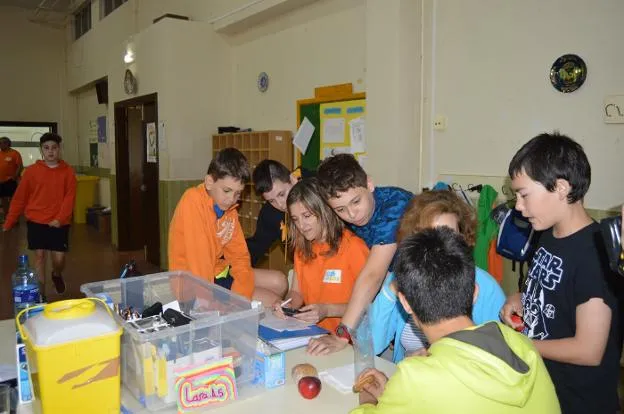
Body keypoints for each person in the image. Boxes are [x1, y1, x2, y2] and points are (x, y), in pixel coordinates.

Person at [351, 228, 561, 414]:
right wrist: (395, 396)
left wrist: (370, 401)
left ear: (405, 303)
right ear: (474, 293)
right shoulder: (522, 345)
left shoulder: (417, 379)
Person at [500, 132, 621, 414]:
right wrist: (519, 298)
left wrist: (521, 344)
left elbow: (589, 350)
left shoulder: (596, 254)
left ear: (561, 188)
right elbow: (552, 289)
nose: (518, 206)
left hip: (578, 401)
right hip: (544, 387)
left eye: (524, 194)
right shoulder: (549, 232)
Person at [370, 190, 506, 362]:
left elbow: (497, 355)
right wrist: (391, 290)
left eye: (448, 234)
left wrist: (434, 359)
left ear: (463, 237)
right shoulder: (401, 279)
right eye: (428, 234)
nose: (438, 244)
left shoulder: (486, 286)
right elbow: (373, 345)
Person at [310, 153, 413, 354]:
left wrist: (341, 334)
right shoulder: (347, 214)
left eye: (356, 201)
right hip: (397, 288)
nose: (351, 214)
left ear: (369, 184)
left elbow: (373, 275)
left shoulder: (395, 206)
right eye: (340, 209)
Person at [168, 148, 285, 303]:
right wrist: (212, 306)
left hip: (220, 273)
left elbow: (240, 256)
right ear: (209, 182)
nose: (232, 199)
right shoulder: (192, 201)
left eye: (238, 194)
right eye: (227, 191)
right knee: (273, 301)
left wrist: (241, 295)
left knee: (280, 281)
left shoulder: (228, 208)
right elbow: (199, 266)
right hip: (196, 286)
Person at [271, 179, 369, 338]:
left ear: (323, 210)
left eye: (307, 216)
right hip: (314, 334)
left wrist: (328, 310)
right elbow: (296, 292)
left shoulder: (354, 247)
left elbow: (369, 306)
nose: (301, 225)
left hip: (348, 338)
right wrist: (286, 305)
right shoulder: (302, 248)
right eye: (295, 219)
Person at [3, 133, 76, 296]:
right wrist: (9, 221)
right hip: (36, 220)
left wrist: (60, 218)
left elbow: (69, 198)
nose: (50, 152)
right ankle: (41, 296)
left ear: (60, 149)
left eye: (54, 148)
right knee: (39, 257)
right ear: (41, 150)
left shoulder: (68, 172)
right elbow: (19, 198)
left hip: (59, 222)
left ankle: (56, 274)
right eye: (46, 148)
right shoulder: (31, 172)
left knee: (59, 259)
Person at [246, 159, 313, 266]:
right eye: (271, 201)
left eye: (281, 194)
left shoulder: (314, 186)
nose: (281, 204)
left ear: (292, 179)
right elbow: (255, 247)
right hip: (304, 265)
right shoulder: (270, 213)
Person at [0, 137, 23, 222]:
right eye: (0, 143)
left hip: (10, 181)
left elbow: (20, 166)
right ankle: (6, 217)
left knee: (12, 200)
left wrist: (14, 177)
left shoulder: (14, 153)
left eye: (3, 143)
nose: (1, 145)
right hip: (1, 181)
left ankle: (14, 219)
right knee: (3, 200)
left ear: (8, 143)